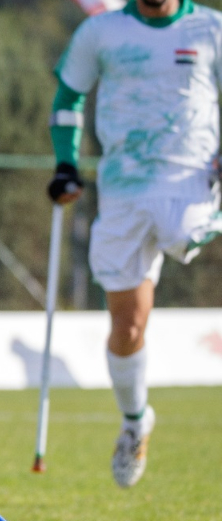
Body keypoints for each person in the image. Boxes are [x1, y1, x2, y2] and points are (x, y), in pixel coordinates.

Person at [48, 0, 222, 486]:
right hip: (123, 191)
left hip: (192, 182)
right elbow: (67, 99)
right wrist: (66, 164)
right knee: (126, 328)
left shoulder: (211, 28)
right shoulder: (101, 33)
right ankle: (134, 421)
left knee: (188, 229)